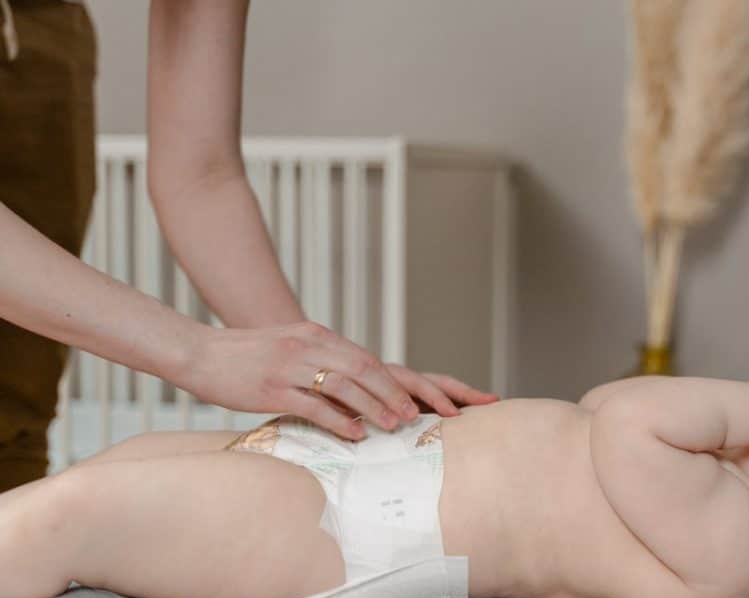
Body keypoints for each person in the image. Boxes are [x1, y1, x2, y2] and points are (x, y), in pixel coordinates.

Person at [0, 0, 496, 492]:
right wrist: (199, 353)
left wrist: (320, 375)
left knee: (14, 428)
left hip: (34, 44)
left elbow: (201, 176)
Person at [0, 377, 749, 598]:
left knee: (81, 515)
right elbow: (609, 408)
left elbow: (624, 415)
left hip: (351, 532)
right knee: (123, 461)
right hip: (364, 466)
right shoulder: (713, 490)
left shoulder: (727, 549)